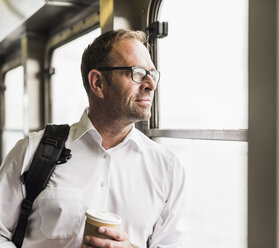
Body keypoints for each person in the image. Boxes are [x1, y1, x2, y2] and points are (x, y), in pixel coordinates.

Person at [0, 29, 186, 248]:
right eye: (137, 73)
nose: (151, 84)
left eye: (152, 74)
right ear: (97, 82)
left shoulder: (167, 168)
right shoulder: (31, 152)